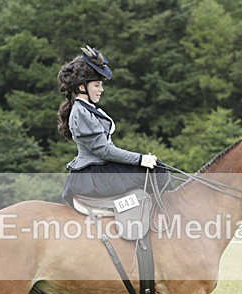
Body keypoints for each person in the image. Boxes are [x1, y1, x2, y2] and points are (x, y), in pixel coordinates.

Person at [57, 46, 170, 206]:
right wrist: (140, 159)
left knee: (158, 168)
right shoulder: (81, 112)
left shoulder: (88, 108)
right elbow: (104, 150)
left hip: (101, 169)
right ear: (82, 87)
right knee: (157, 172)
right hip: (94, 174)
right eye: (97, 85)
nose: (101, 90)